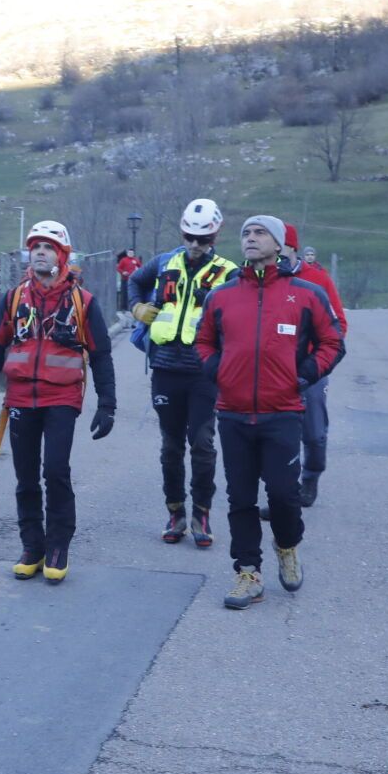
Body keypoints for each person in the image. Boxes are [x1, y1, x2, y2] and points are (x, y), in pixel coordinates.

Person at [195, 216, 344, 610]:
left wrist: (303, 376)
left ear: (279, 244)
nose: (251, 238)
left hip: (283, 412)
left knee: (283, 494)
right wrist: (219, 373)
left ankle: (287, 545)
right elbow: (204, 341)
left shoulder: (306, 293)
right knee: (240, 497)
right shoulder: (222, 295)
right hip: (233, 413)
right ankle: (248, 572)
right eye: (246, 233)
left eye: (260, 233)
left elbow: (333, 341)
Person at [0, 219, 116, 583]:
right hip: (20, 398)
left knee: (55, 470)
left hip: (61, 398)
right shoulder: (13, 299)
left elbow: (101, 355)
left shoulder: (82, 302)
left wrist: (108, 404)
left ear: (63, 255)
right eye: (35, 246)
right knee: (25, 478)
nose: (39, 251)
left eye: (48, 247)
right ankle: (32, 546)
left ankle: (58, 545)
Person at [127, 199, 238, 549]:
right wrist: (137, 307)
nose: (194, 245)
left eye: (202, 239)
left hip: (204, 373)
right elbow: (134, 280)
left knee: (202, 445)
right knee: (171, 447)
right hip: (165, 368)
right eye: (189, 236)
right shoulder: (163, 263)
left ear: (215, 236)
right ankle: (175, 512)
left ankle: (201, 513)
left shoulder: (230, 273)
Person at [291, 232, 346, 507]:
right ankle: (283, 488)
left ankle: (310, 477)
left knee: (313, 430)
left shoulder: (319, 280)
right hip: (273, 369)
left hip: (310, 370)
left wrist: (314, 364)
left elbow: (339, 328)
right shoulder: (261, 279)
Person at [115, 248, 141, 313]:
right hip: (125, 279)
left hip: (133, 280)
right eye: (129, 253)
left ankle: (131, 307)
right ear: (127, 253)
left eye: (132, 253)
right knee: (124, 294)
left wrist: (138, 271)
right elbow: (118, 268)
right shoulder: (123, 260)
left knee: (132, 293)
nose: (130, 254)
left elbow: (140, 267)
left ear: (133, 253)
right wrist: (123, 272)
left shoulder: (136, 260)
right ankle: (123, 308)